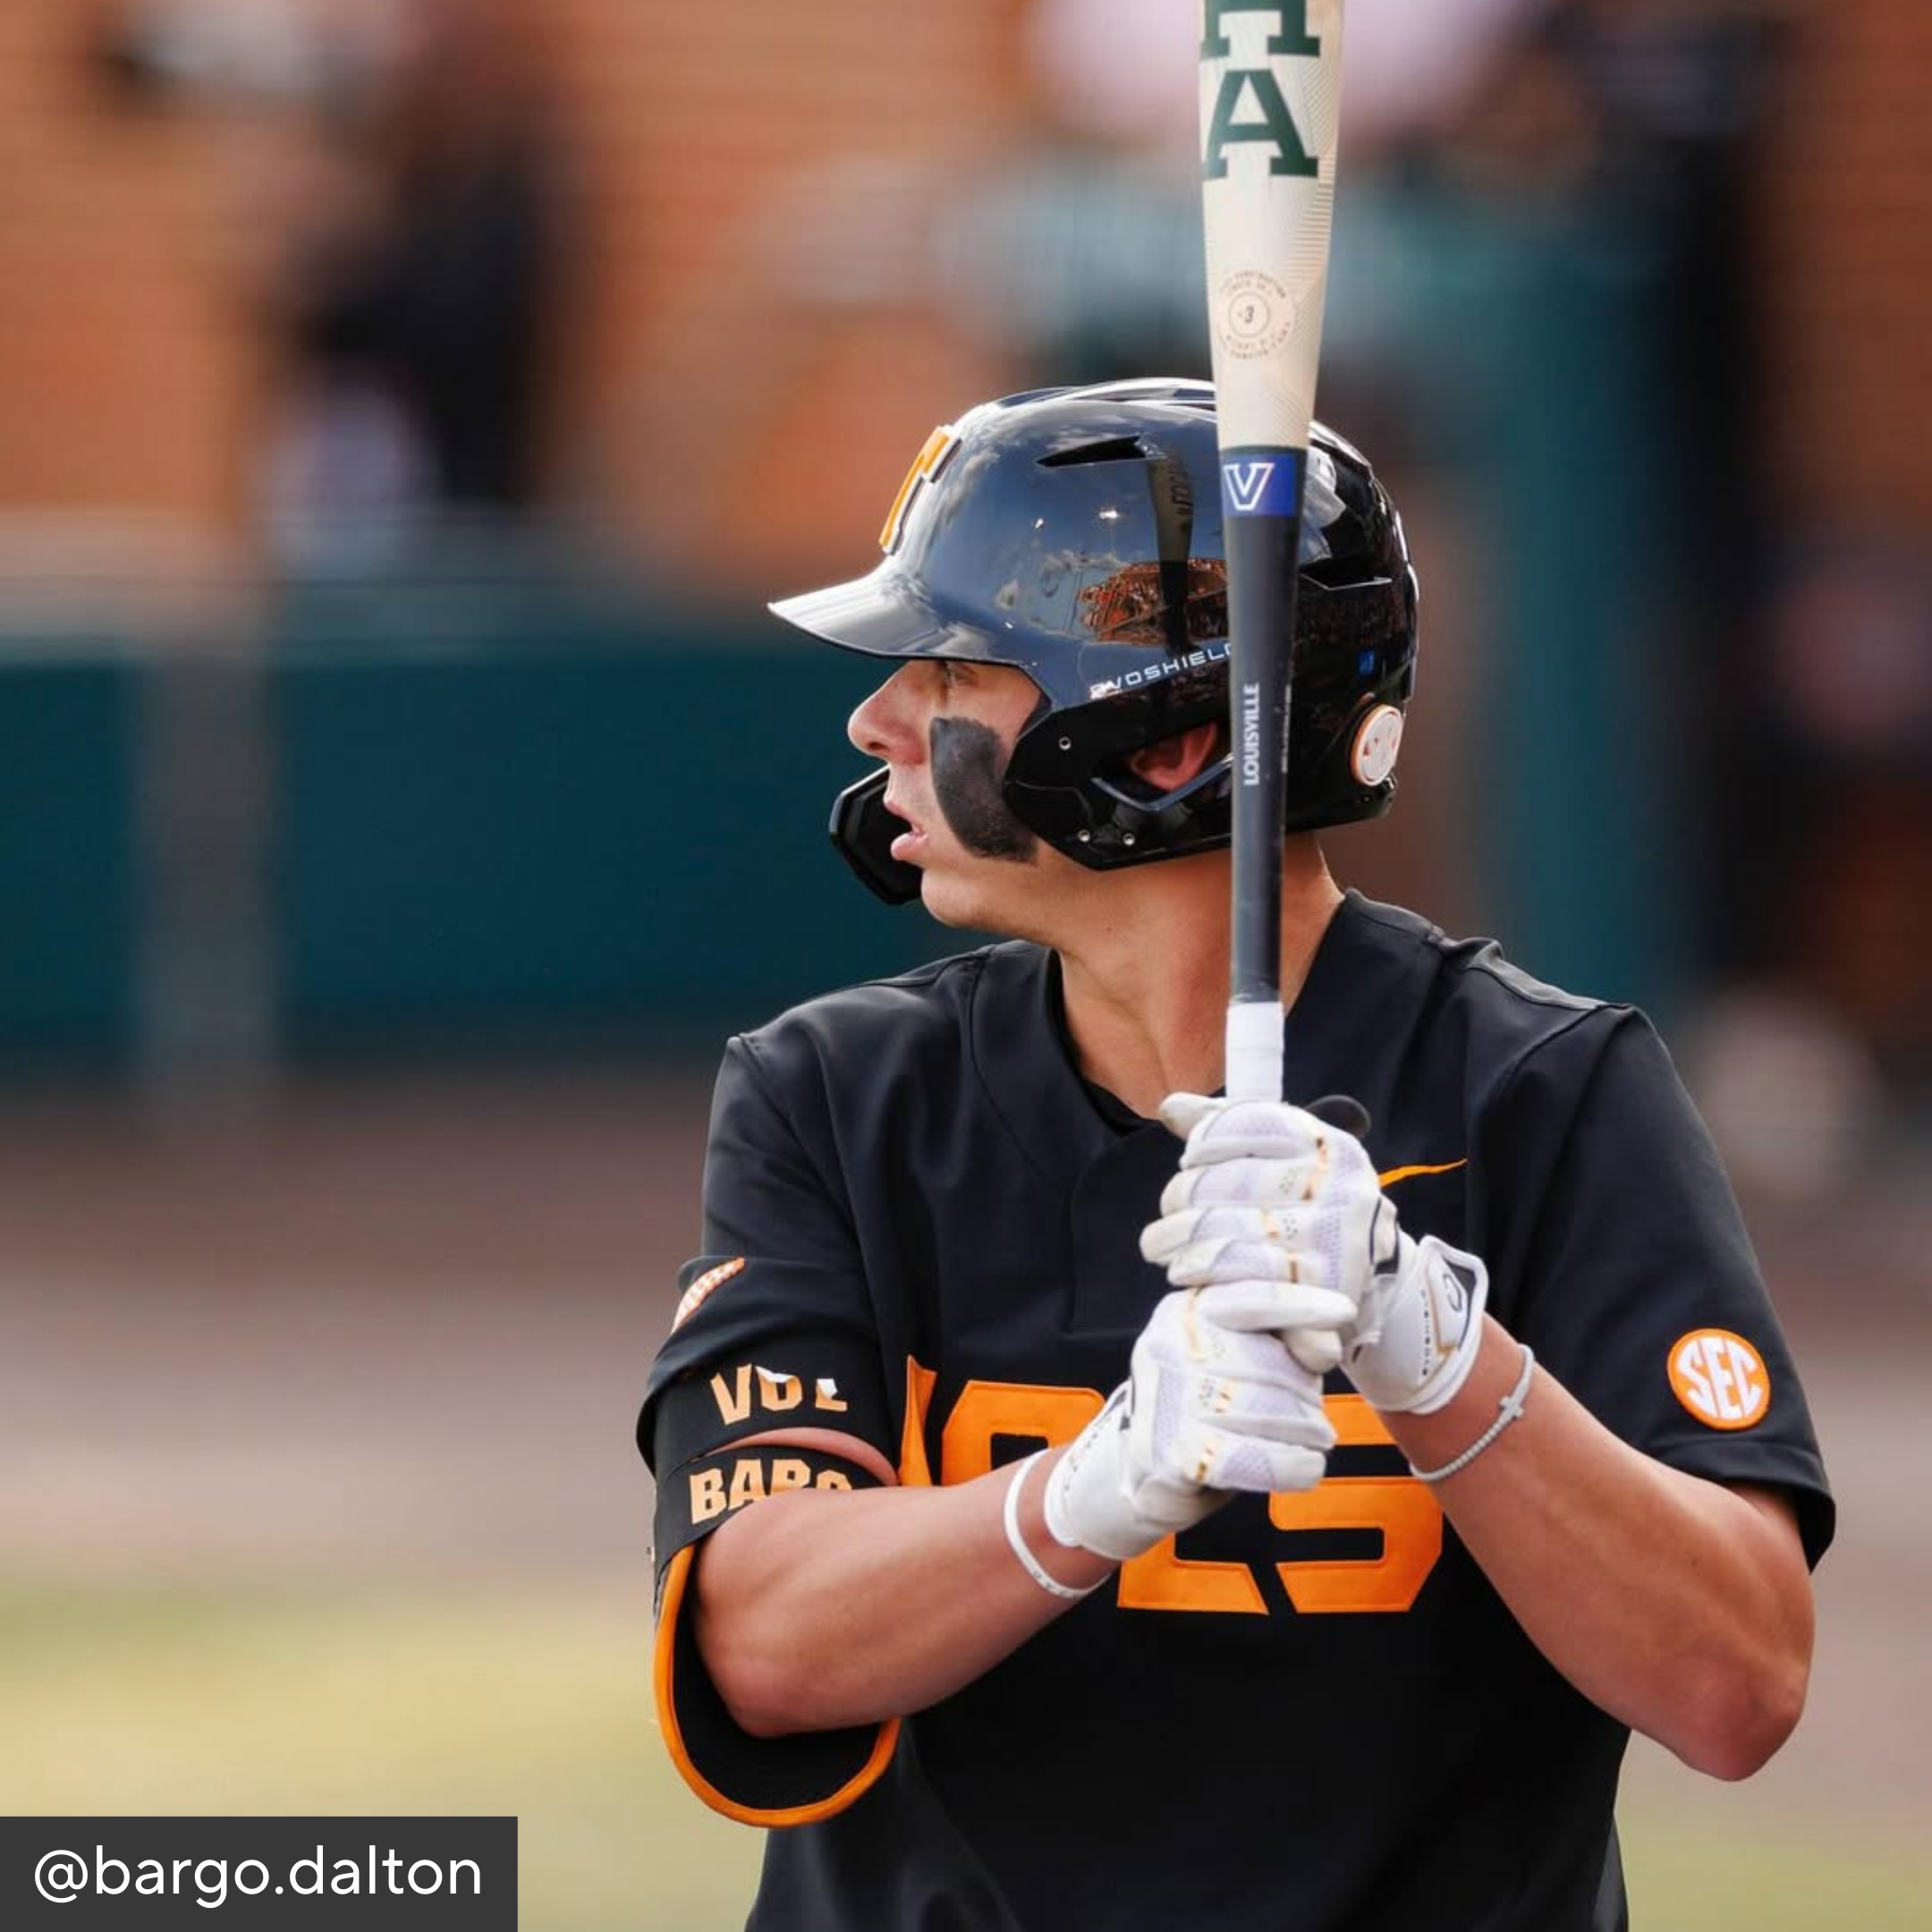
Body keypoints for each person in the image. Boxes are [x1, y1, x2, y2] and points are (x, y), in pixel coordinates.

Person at [636, 379, 1832, 1932]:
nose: (877, 725)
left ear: (1164, 741)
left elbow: (1737, 1687)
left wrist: (1436, 1353)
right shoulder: (838, 1097)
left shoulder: (1540, 1093)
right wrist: (1093, 1491)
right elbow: (761, 1646)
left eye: (950, 671)